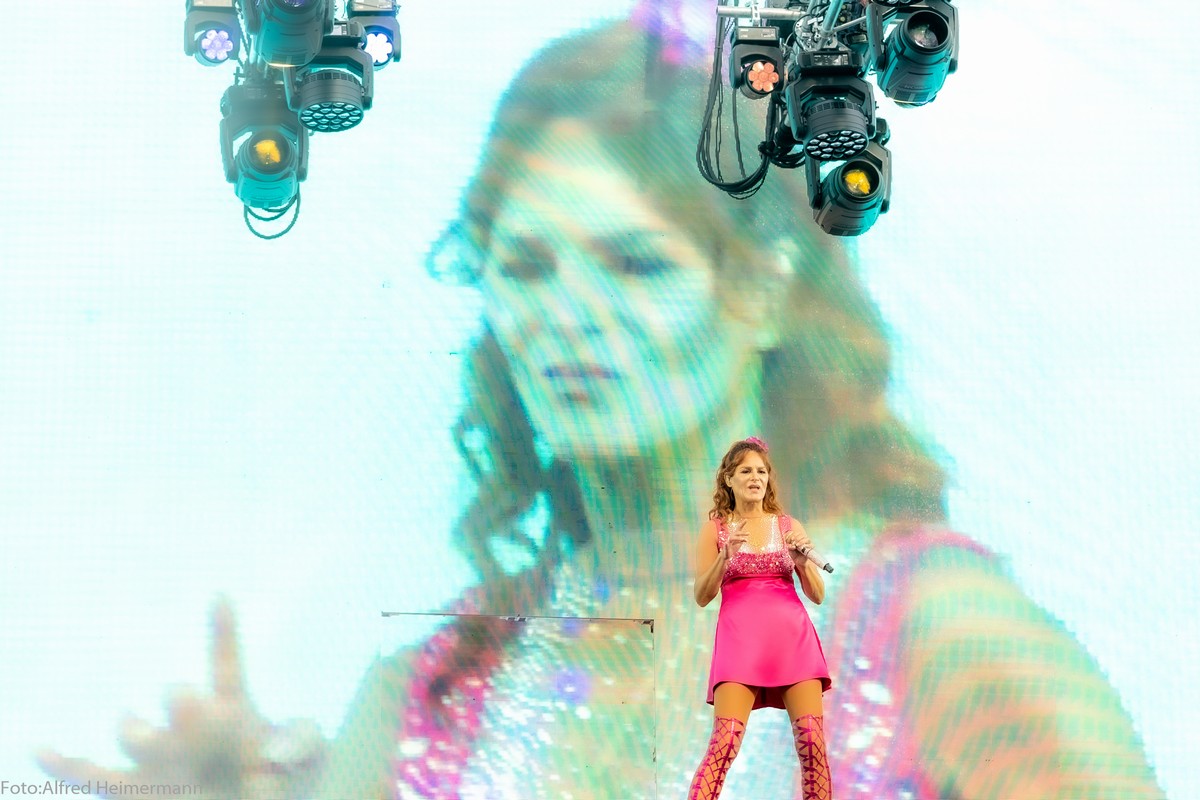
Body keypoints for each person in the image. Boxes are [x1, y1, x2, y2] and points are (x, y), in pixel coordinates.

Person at [39, 10, 1165, 800]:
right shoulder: (436, 695)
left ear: (765, 288)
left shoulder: (935, 640)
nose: (570, 315)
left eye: (634, 263)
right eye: (527, 267)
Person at [689, 437, 833, 800]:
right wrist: (724, 558)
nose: (755, 478)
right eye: (745, 471)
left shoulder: (787, 525)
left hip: (792, 640)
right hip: (740, 643)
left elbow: (817, 595)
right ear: (728, 479)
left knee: (813, 744)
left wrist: (801, 565)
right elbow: (702, 596)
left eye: (761, 472)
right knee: (724, 744)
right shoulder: (716, 529)